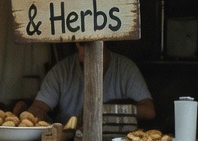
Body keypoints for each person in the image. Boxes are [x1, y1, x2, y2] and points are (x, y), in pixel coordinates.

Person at [24, 43, 154, 122]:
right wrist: (36, 116)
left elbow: (149, 111)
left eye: (91, 44)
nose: (84, 51)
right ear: (77, 44)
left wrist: (105, 112)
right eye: (82, 44)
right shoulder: (60, 71)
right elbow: (38, 107)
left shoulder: (126, 68)